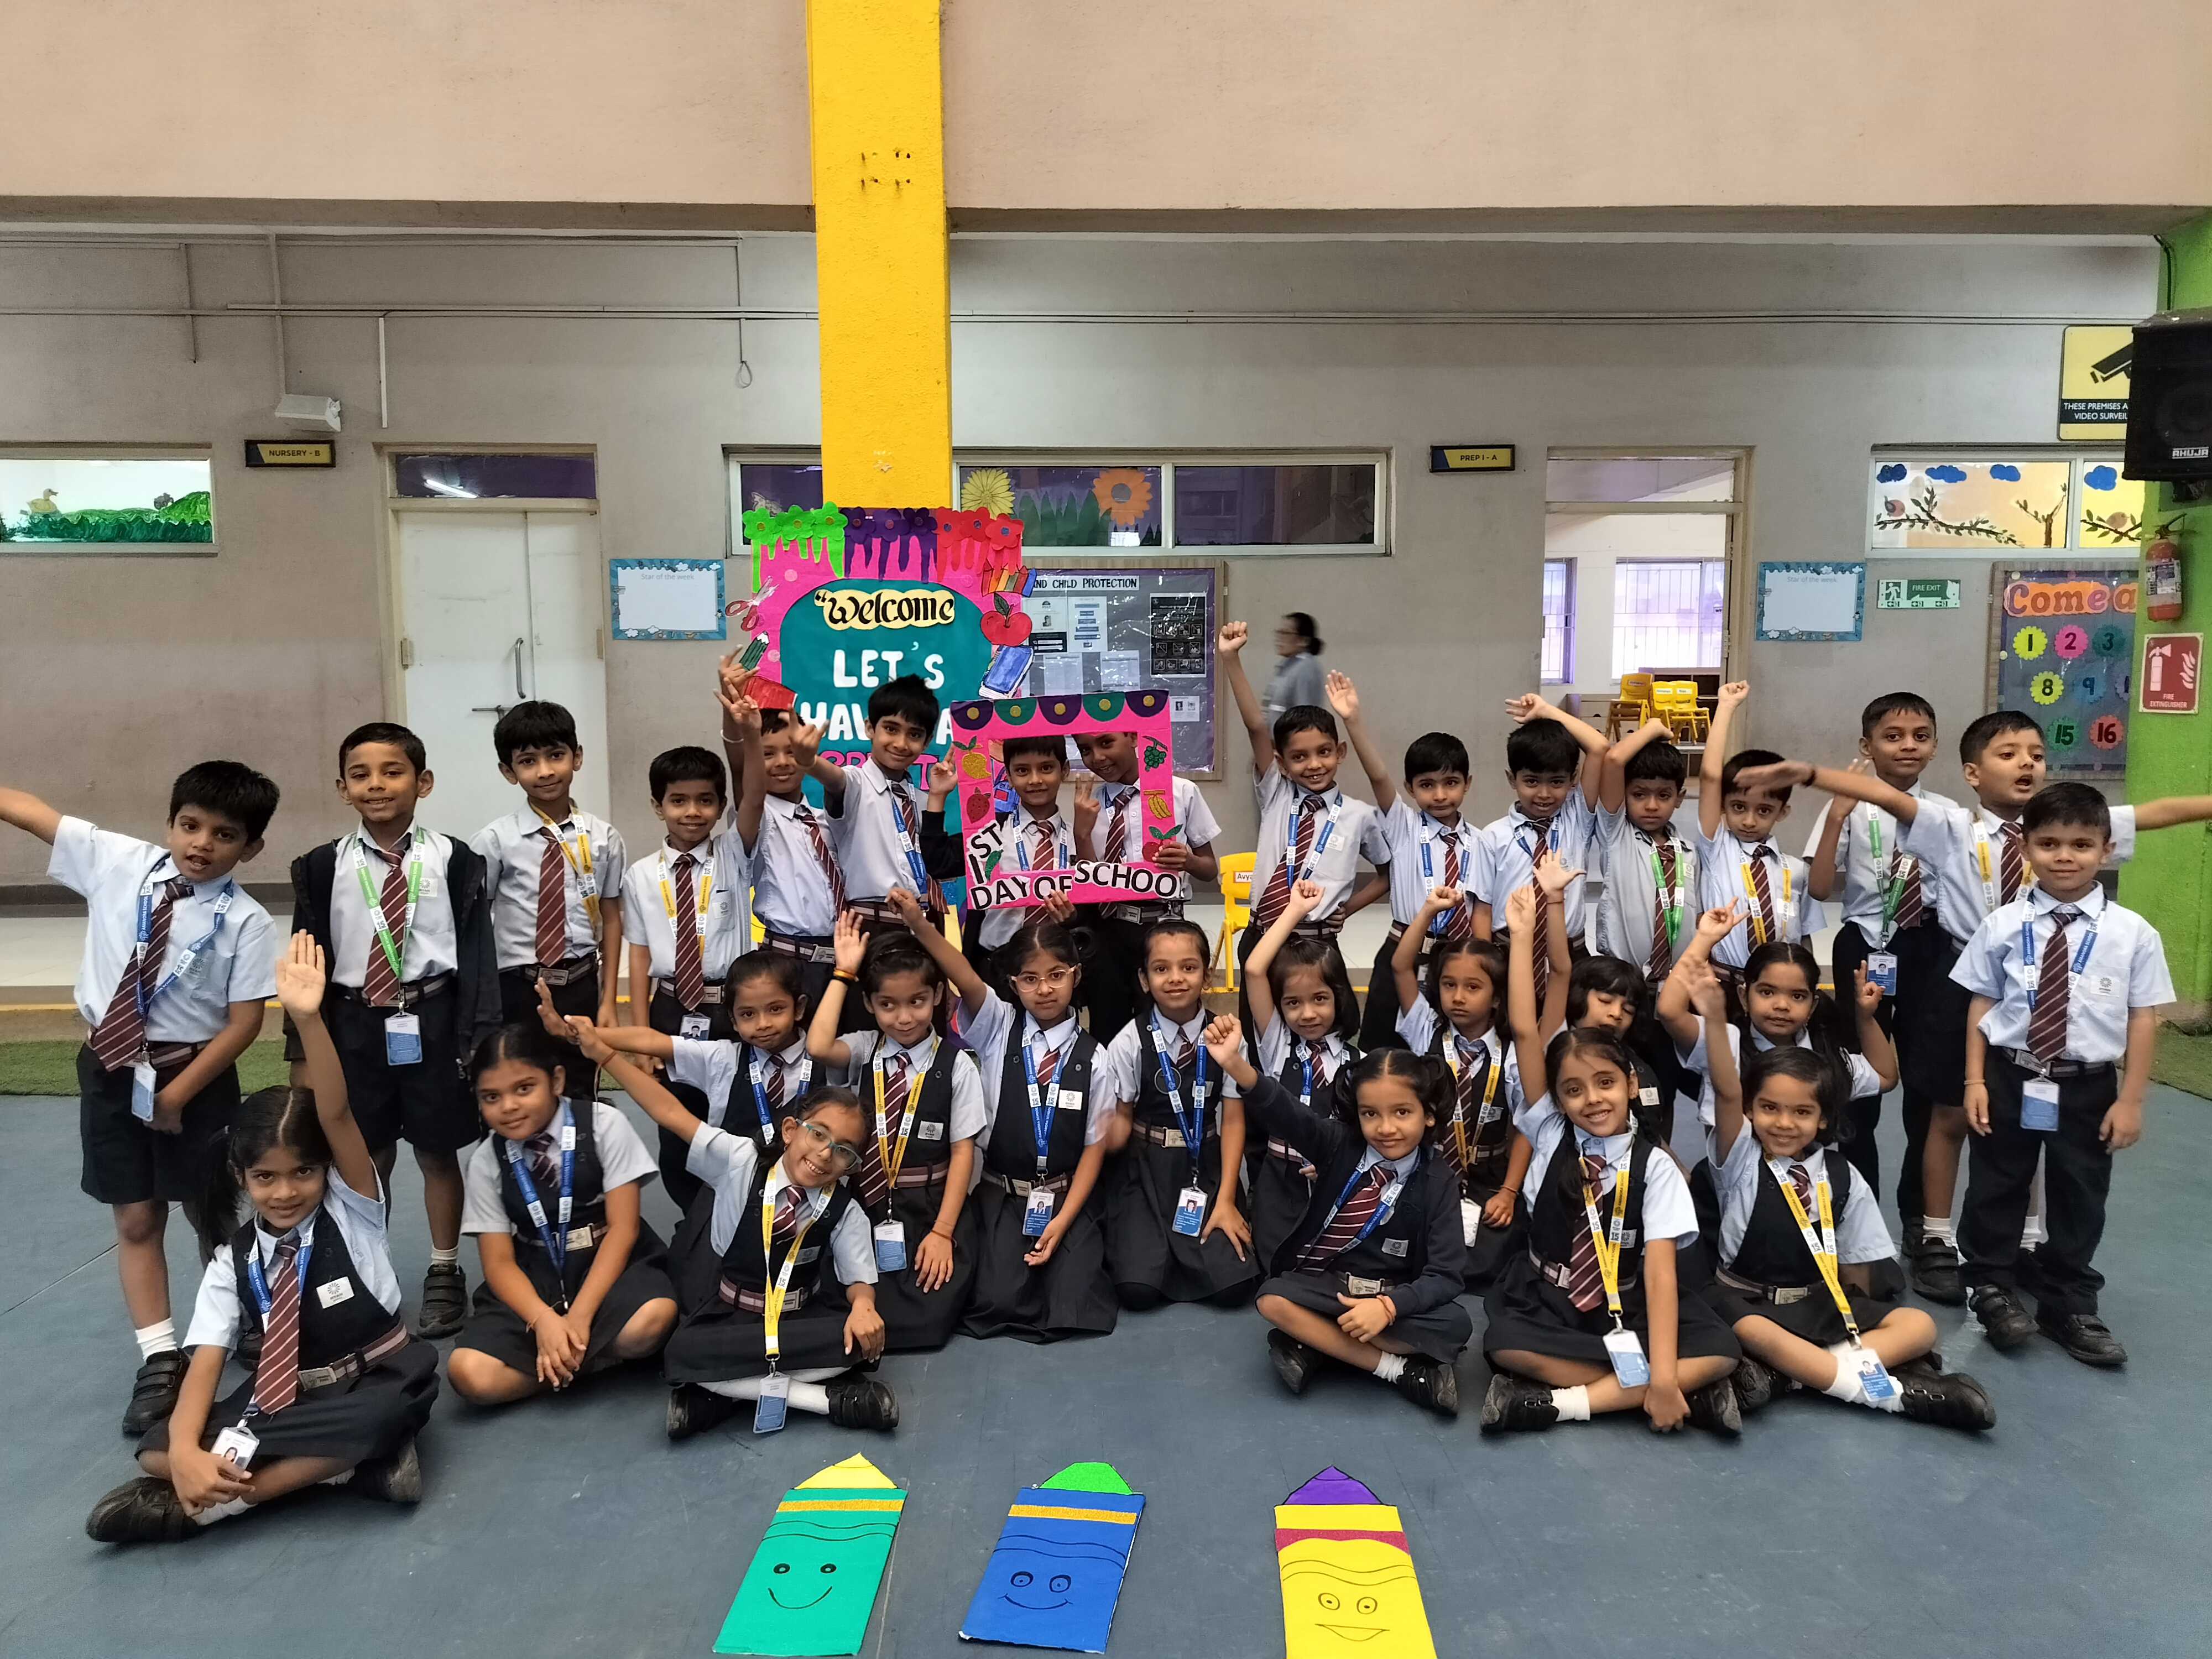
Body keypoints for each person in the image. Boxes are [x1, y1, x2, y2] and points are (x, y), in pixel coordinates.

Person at [1731, 721, 2212, 1303]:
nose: (2027, 763)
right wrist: (1808, 774)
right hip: (1965, 978)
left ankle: (2026, 1240)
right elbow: (1885, 795)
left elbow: (2159, 812)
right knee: (1951, 1112)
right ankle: (1935, 1234)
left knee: (2030, 1114)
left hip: (2041, 982)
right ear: (1972, 773)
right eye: (2008, 753)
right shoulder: (1952, 826)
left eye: (2037, 753)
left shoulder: (2064, 827)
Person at [86, 935, 437, 1542]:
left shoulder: (354, 1209)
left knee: (381, 1417)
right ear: (241, 1177)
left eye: (303, 1172)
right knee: (157, 1448)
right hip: (291, 1397)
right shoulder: (233, 1261)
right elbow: (206, 1365)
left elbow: (335, 1115)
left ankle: (211, 1508)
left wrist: (308, 1018)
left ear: (326, 1171)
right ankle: (345, 1473)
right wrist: (185, 1453)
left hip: (375, 1379)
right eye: (266, 1178)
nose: (285, 1192)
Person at [1, 761, 280, 1436]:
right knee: (134, 1218)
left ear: (251, 848)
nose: (201, 843)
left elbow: (244, 1022)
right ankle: (159, 1356)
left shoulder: (246, 921)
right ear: (170, 823)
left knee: (211, 1212)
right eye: (190, 825)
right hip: (111, 1069)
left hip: (194, 1078)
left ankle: (242, 1314)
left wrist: (179, 1094)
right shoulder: (118, 861)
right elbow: (30, 810)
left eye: (224, 835)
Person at [554, 1017, 896, 1437]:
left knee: (860, 1341)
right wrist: (606, 1055)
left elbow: (859, 1279)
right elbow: (670, 1112)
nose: (826, 1154)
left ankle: (721, 1397)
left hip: (799, 1316)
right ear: (791, 1131)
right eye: (818, 1135)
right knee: (682, 1351)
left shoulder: (845, 1209)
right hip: (733, 1315)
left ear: (852, 1165)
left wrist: (863, 1307)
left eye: (843, 1150)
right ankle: (829, 1400)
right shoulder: (739, 1160)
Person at [1693, 967, 1995, 1429]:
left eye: (1802, 1112)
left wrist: (1854, 1317)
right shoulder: (1737, 1160)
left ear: (1823, 1119)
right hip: (1749, 1303)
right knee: (1750, 1330)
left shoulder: (1843, 1176)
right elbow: (1726, 1090)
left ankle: (1788, 1378)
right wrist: (1716, 1020)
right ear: (1750, 1111)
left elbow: (1856, 1270)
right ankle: (1890, 1397)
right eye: (1769, 1108)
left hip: (1816, 1301)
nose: (1784, 1123)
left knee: (1919, 1327)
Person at [285, 722, 499, 1342]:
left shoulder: (456, 860)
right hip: (354, 1022)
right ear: (343, 789)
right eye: (361, 775)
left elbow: (477, 954)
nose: (376, 785)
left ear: (423, 782)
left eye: (392, 772)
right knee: (364, 1151)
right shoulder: (321, 866)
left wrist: (477, 1038)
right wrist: (302, 1047)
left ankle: (443, 1269)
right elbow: (305, 960)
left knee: (437, 1151)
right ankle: (367, 1270)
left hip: (432, 1019)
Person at [1951, 783, 2173, 1368]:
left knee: (2081, 1192)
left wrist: (2131, 1100)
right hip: (2010, 1075)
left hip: (2087, 1085)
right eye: (2049, 844)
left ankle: (2068, 1301)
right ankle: (1991, 1286)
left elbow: (2142, 1017)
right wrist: (1974, 1081)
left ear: (2106, 849)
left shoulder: (2132, 933)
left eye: (2081, 844)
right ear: (2026, 847)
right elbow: (1981, 1003)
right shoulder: (2002, 924)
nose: (2065, 857)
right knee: (1997, 1182)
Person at [1477, 973, 1743, 1436]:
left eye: (1606, 1083)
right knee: (1503, 1344)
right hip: (1549, 1297)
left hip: (1627, 1299)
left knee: (1722, 1350)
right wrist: (1522, 939)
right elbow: (1524, 1029)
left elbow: (1660, 1275)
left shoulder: (1656, 1166)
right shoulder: (1550, 1131)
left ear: (1631, 1084)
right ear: (1558, 1100)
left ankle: (1560, 1403)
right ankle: (1672, 1392)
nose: (1593, 1099)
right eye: (1574, 1090)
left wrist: (1664, 1379)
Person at [1211, 1020, 1470, 1416]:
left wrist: (1388, 1307)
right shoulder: (1338, 1144)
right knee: (1272, 1299)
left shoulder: (1440, 1180)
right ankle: (1395, 1370)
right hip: (1331, 1287)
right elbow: (1286, 1111)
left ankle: (1319, 1345)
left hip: (1394, 1296)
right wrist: (1234, 1063)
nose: (1386, 1128)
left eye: (1402, 1112)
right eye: (1371, 1114)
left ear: (1429, 1115)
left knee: (1456, 1326)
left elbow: (1446, 1275)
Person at [900, 911, 1121, 1343]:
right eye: (1030, 979)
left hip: (1064, 1197)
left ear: (1076, 976)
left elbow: (1094, 1149)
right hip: (1000, 1196)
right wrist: (919, 924)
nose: (1045, 989)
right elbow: (963, 976)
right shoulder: (998, 1025)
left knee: (1075, 1305)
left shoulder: (1096, 1057)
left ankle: (1072, 1244)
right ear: (1013, 984)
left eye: (1056, 975)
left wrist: (1063, 1221)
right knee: (996, 1302)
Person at [446, 1011, 677, 1406]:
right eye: (491, 1097)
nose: (509, 1107)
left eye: (524, 1088)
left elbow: (624, 1229)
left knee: (652, 1320)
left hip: (606, 1259)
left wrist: (580, 1317)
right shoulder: (486, 1160)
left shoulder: (604, 1124)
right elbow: (499, 1263)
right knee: (470, 1375)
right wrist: (544, 1322)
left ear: (555, 1081)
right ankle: (585, 1360)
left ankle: (555, 1364)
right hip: (535, 1273)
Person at [806, 900, 984, 1349]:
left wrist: (943, 1232)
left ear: (938, 995)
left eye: (916, 1002)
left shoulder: (957, 1065)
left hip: (929, 1207)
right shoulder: (864, 1049)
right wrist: (843, 973)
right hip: (863, 1203)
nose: (904, 1017)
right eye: (888, 1005)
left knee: (926, 1324)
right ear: (869, 1004)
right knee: (835, 1309)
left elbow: (963, 1152)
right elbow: (818, 1046)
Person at [1801, 693, 1950, 1209]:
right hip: (1865, 944)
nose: (1908, 746)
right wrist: (1837, 817)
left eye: (1920, 737)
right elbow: (1820, 887)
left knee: (1925, 1083)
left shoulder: (1948, 814)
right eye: (1893, 736)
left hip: (1929, 944)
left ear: (1935, 746)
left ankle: (1919, 1217)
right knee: (1859, 1082)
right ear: (1867, 747)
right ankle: (1856, 1207)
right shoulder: (1848, 804)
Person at [1392, 877, 1550, 1289]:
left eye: (1473, 987)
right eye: (1449, 985)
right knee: (1403, 1248)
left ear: (1497, 998)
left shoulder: (1512, 1054)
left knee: (1492, 1261)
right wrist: (1428, 911)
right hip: (1425, 1172)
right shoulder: (1425, 1029)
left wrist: (1510, 1191)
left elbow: (1526, 1126)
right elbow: (1400, 966)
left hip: (1486, 1178)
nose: (1458, 997)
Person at [1098, 918, 1261, 1310]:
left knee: (1234, 1288)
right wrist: (1102, 1133)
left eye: (1188, 967)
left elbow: (1233, 1119)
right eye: (1161, 969)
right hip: (1143, 1170)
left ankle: (1214, 1222)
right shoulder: (1128, 1042)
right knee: (1136, 1291)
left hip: (1206, 1165)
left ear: (1207, 976)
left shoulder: (1227, 1037)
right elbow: (1122, 1119)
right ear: (1144, 980)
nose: (1175, 978)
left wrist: (1227, 1200)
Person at [472, 700, 627, 1102]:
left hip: (580, 983)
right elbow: (476, 922)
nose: (545, 771)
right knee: (519, 1083)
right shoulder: (495, 841)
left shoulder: (603, 838)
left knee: (579, 1085)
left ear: (577, 757)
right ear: (509, 772)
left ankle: (581, 1144)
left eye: (556, 755)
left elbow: (612, 917)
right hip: (517, 986)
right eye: (528, 762)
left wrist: (608, 1000)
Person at [1219, 625, 1391, 984]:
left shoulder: (1359, 816)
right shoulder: (1276, 793)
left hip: (1319, 943)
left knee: (1320, 1016)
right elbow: (1256, 727)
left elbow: (1387, 874)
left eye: (1324, 752)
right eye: (1299, 757)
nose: (1314, 765)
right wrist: (1231, 659)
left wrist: (1348, 908)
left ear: (1340, 752)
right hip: (1262, 935)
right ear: (1282, 764)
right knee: (1259, 1020)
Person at [586, 953, 812, 1213]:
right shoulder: (723, 1058)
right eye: (748, 1014)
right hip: (730, 1198)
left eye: (776, 1009)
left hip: (806, 1201)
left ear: (799, 1008)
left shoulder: (826, 1059)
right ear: (733, 1020)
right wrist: (586, 1034)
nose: (763, 1024)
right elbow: (652, 1041)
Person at [620, 745, 752, 1156]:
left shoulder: (735, 854)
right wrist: (642, 1039)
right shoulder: (640, 875)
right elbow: (639, 955)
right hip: (670, 1006)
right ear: (658, 806)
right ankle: (684, 1195)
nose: (692, 812)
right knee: (676, 1119)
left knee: (735, 1114)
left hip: (728, 1006)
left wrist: (743, 737)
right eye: (678, 801)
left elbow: (753, 798)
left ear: (722, 806)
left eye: (705, 800)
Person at [1242, 879, 1364, 1271]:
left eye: (1320, 999)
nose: (1307, 1014)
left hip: (1335, 1183)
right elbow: (1254, 969)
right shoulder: (1277, 1045)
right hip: (1280, 1181)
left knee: (1329, 1272)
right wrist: (1294, 910)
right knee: (1276, 1271)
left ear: (1339, 997)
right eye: (1293, 1003)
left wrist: (1340, 1163)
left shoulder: (1358, 1063)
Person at [1070, 727, 1222, 1042]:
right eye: (1085, 750)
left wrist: (1188, 861)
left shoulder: (1181, 792)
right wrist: (1081, 835)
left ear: (1133, 737)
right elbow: (1089, 883)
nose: (1097, 757)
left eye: (1106, 742)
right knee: (1107, 1025)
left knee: (1161, 1026)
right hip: (1109, 928)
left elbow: (1210, 870)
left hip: (1163, 927)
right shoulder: (1089, 805)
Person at [1588, 720, 1703, 1122]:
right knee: (1620, 1084)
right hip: (1625, 989)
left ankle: (1660, 1154)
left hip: (1675, 993)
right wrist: (1653, 728)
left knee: (1662, 1091)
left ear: (1680, 798)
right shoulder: (1616, 836)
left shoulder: (1689, 853)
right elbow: (1613, 760)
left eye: (1663, 795)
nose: (1651, 805)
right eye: (1639, 794)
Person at [722, 671, 848, 1011]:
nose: (782, 763)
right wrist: (740, 728)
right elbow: (741, 775)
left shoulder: (826, 821)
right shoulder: (759, 816)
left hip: (842, 960)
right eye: (767, 754)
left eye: (792, 752)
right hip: (788, 961)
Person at [1479, 695, 1608, 1003]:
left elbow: (1599, 747)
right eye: (1532, 781)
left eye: (1557, 782)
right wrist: (1485, 963)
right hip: (1508, 951)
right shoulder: (1493, 836)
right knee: (1512, 1025)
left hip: (1570, 951)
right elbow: (1483, 906)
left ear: (1573, 780)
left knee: (1569, 1027)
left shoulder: (1577, 817)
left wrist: (1548, 711)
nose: (1545, 794)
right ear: (1512, 779)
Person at [1362, 729, 1483, 1050]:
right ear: (1410, 789)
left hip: (1455, 958)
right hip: (1403, 949)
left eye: (1451, 783)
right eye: (1427, 785)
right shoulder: (1403, 827)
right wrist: (1353, 721)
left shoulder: (1483, 843)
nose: (1440, 795)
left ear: (1467, 783)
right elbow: (1378, 777)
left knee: (1444, 1047)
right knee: (1384, 1049)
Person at [1694, 682, 1820, 985]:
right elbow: (1710, 777)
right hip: (1725, 981)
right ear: (1723, 806)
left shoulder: (1797, 870)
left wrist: (1809, 984)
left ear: (1782, 813)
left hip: (1779, 987)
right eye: (1738, 807)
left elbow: (1804, 937)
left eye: (1764, 810)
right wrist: (1726, 708)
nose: (1749, 821)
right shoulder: (1717, 849)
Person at [822, 674, 962, 933]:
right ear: (870, 728)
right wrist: (807, 760)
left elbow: (938, 865)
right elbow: (833, 778)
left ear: (927, 742)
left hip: (926, 922)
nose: (901, 744)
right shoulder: (855, 784)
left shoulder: (923, 799)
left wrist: (937, 797)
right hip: (872, 924)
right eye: (891, 729)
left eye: (914, 734)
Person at [943, 733, 1077, 984]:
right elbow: (939, 864)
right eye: (1022, 771)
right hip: (996, 968)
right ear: (1009, 776)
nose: (1035, 780)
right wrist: (938, 796)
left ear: (1065, 770)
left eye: (1046, 768)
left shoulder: (1079, 838)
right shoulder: (990, 833)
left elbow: (1093, 908)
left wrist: (1073, 920)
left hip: (1055, 973)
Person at [1260, 611, 1331, 723]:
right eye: (1279, 632)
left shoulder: (1307, 668)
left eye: (1285, 633)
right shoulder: (1287, 666)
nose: (1279, 638)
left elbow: (1305, 716)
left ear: (1304, 641)